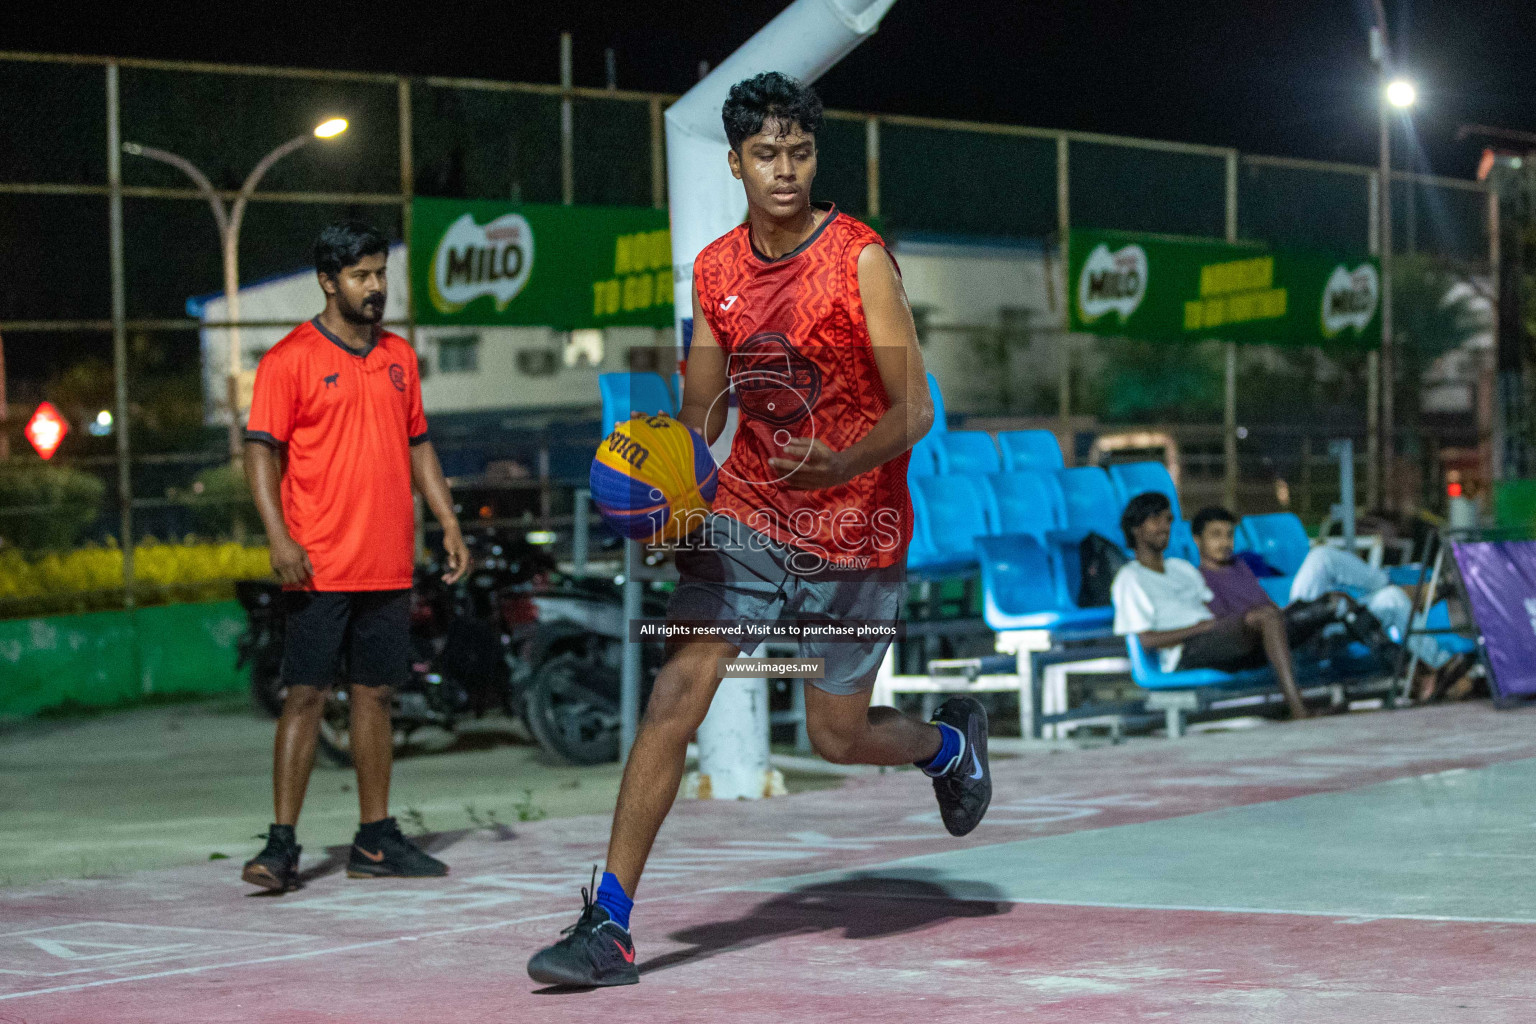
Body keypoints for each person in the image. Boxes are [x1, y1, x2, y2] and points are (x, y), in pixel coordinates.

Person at [526, 72, 991, 988]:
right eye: (767, 155)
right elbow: (702, 408)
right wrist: (670, 490)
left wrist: (839, 464)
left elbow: (917, 410)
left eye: (801, 152)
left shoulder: (858, 258)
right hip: (745, 513)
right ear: (735, 162)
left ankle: (950, 745)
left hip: (858, 524)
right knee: (677, 693)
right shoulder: (716, 270)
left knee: (835, 737)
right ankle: (608, 924)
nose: (785, 170)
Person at [240, 221, 470, 892]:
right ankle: (281, 845)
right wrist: (279, 537)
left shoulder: (399, 354)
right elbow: (259, 450)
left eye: (380, 274)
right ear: (327, 281)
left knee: (376, 694)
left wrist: (447, 520)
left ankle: (375, 840)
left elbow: (418, 442)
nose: (376, 287)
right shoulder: (289, 360)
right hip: (317, 562)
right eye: (362, 276)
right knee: (305, 694)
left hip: (388, 560)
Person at [1111, 492, 1311, 719]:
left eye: (1167, 520)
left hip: (1218, 639)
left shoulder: (1180, 568)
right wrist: (1201, 628)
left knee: (1310, 613)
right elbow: (1147, 640)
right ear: (1136, 528)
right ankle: (1298, 709)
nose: (1164, 527)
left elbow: (1214, 610)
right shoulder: (1130, 579)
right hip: (1187, 652)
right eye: (1155, 520)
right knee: (1266, 617)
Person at [1192, 506, 1395, 654]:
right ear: (1197, 539)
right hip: (1265, 634)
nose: (1225, 542)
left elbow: (1266, 604)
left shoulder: (1239, 567)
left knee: (1386, 599)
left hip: (1283, 619)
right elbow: (1227, 624)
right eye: (1216, 535)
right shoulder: (1198, 579)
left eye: (1229, 535)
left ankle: (1384, 589)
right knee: (1322, 559)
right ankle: (1383, 585)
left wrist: (1283, 612)